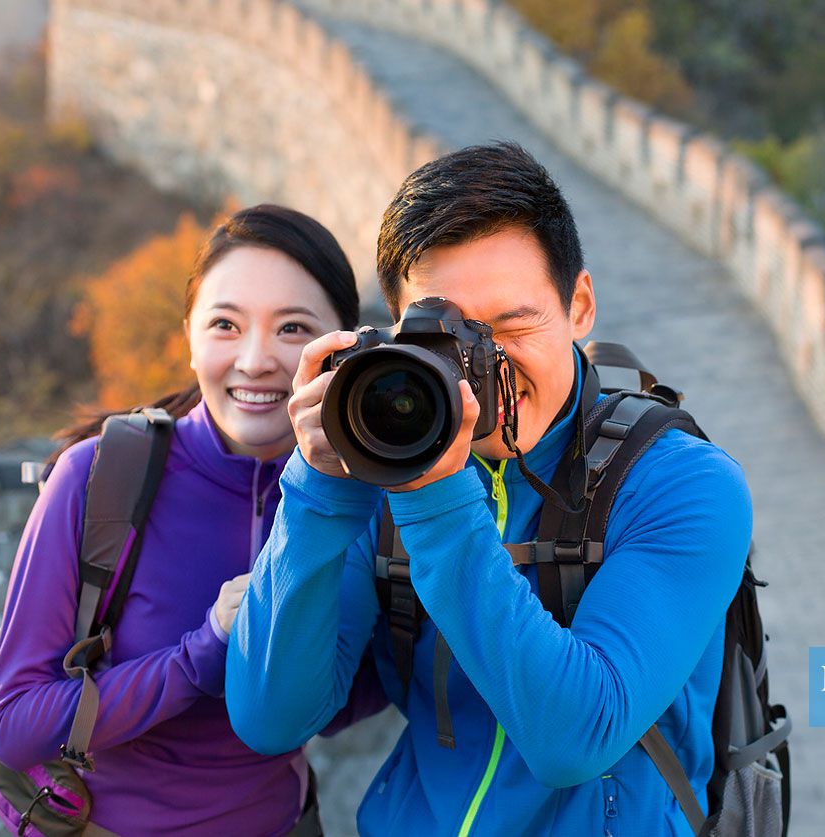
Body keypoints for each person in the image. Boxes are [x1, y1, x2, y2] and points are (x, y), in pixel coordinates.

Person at [226, 143, 753, 834]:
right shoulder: (379, 469)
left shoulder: (679, 484)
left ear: (580, 306)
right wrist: (320, 489)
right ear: (394, 326)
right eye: (448, 341)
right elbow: (270, 716)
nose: (484, 368)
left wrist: (437, 499)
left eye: (512, 325)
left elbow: (575, 739)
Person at [0, 204, 365, 834]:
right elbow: (13, 726)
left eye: (294, 329)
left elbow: (337, 705)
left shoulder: (354, 497)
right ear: (189, 335)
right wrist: (200, 656)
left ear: (342, 348)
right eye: (225, 325)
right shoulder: (99, 478)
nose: (256, 360)